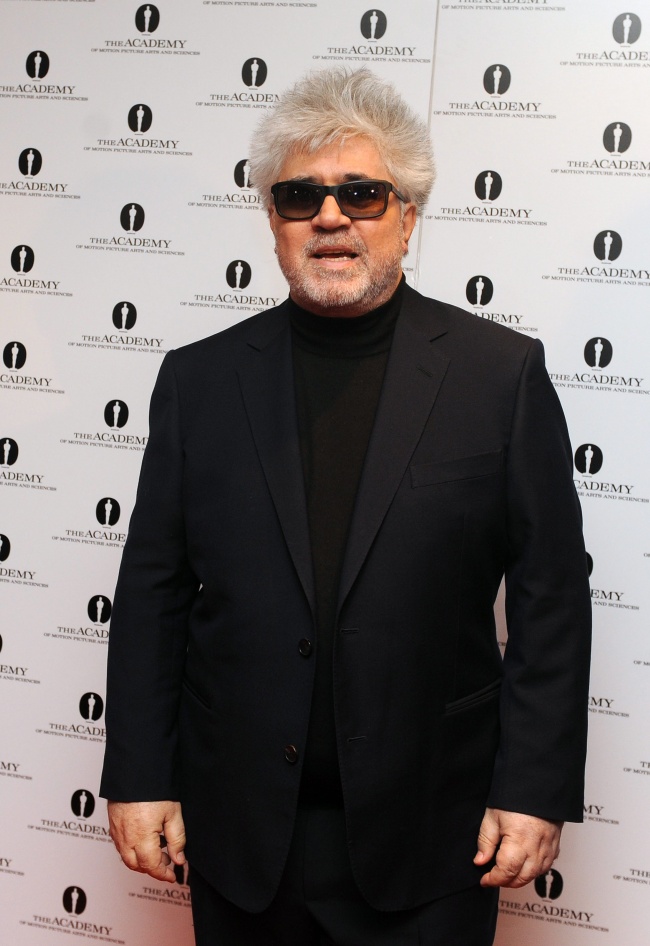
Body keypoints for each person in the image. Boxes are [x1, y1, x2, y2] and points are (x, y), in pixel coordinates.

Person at [101, 67, 591, 946]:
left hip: (435, 839)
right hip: (241, 835)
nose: (331, 216)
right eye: (301, 196)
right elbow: (152, 593)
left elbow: (552, 595)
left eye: (361, 194)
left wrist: (534, 787)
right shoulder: (198, 381)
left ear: (408, 215)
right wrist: (140, 776)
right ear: (273, 221)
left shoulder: (500, 377)